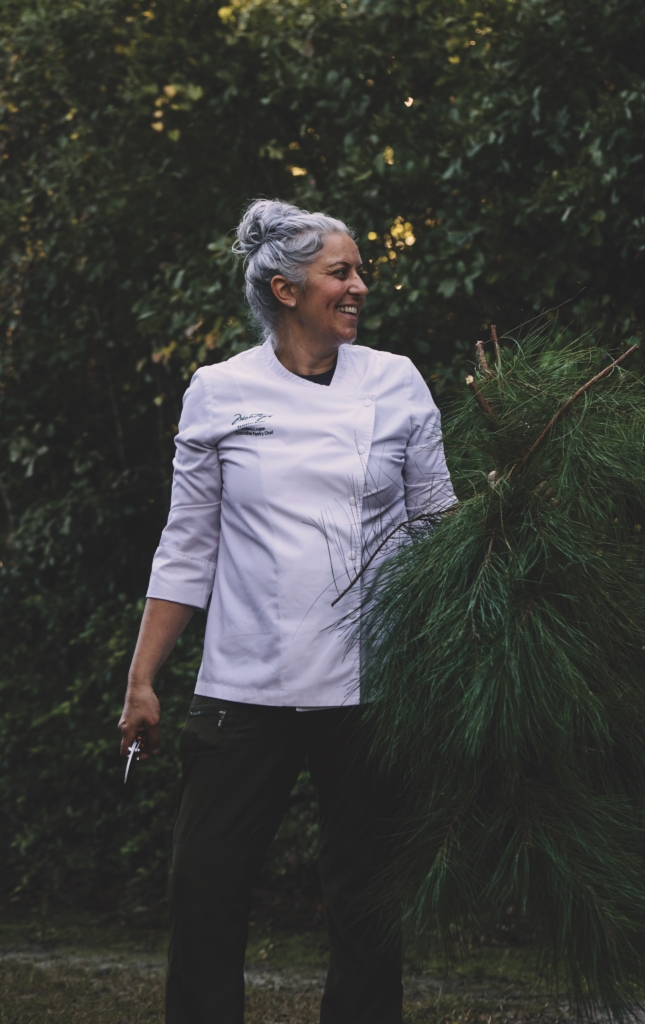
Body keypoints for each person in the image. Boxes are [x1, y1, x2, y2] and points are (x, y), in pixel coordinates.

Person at [118, 199, 455, 1024]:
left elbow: (440, 527)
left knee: (369, 910)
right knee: (205, 895)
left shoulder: (396, 380)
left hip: (372, 693)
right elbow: (187, 546)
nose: (358, 287)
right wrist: (143, 680)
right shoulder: (219, 390)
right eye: (340, 273)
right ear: (285, 288)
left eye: (358, 272)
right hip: (243, 694)